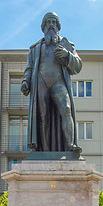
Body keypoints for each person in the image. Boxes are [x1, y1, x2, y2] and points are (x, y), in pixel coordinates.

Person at [21, 12, 82, 152]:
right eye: (47, 22)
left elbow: (78, 65)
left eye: (54, 22)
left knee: (66, 110)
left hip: (58, 82)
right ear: (43, 27)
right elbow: (29, 68)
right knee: (42, 116)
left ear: (58, 26)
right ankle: (45, 150)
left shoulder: (66, 44)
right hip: (41, 81)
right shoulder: (35, 48)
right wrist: (26, 81)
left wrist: (67, 56)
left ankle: (70, 145)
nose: (51, 25)